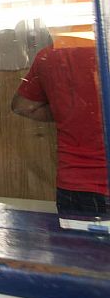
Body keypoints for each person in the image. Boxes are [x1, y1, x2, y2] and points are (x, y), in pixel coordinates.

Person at [12, 44, 109, 216]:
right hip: (100, 185)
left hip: (71, 187)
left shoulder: (51, 55)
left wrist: (68, 112)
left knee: (70, 242)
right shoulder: (104, 53)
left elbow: (24, 106)